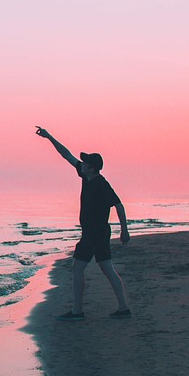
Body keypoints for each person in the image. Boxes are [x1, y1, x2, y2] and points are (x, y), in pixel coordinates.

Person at [35, 126, 131, 320]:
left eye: (85, 162)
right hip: (100, 233)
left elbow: (119, 205)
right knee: (106, 268)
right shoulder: (86, 176)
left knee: (77, 268)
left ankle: (77, 311)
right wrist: (49, 137)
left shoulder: (101, 184)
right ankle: (123, 309)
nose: (82, 163)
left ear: (92, 168)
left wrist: (125, 231)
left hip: (94, 233)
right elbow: (66, 155)